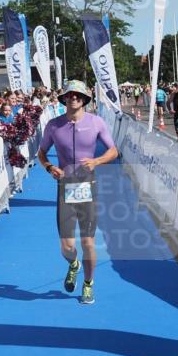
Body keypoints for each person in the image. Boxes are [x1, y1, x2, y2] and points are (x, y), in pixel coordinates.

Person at [36, 80, 118, 305]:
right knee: (67, 245)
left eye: (78, 96)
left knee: (88, 243)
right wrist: (50, 167)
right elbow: (41, 153)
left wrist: (97, 161)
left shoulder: (96, 122)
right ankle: (74, 264)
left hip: (87, 186)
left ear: (84, 100)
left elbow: (113, 151)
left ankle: (88, 284)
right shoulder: (53, 125)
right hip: (65, 187)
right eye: (70, 95)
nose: (74, 98)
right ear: (64, 99)